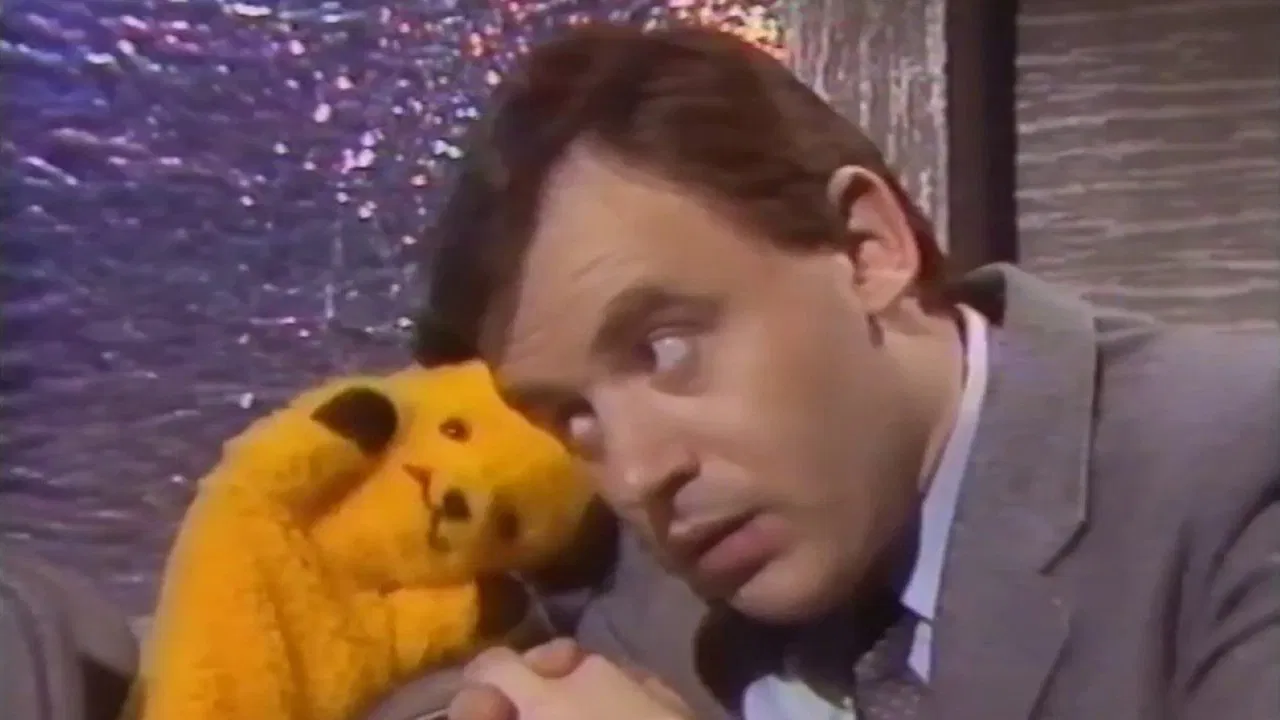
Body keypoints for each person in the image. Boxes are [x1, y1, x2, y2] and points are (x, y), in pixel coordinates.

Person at [402, 24, 1279, 720]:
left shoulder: (1240, 475)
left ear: (866, 248)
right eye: (573, 417)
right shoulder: (669, 564)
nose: (636, 475)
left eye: (665, 350)